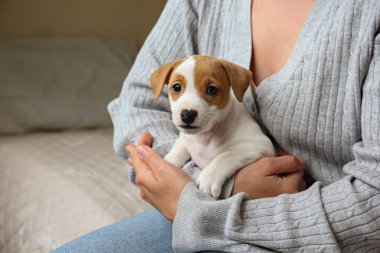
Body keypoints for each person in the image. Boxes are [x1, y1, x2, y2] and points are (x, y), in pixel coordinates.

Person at [53, 0, 380, 252]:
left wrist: (199, 209)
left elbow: (373, 203)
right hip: (195, 207)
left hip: (326, 232)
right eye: (177, 90)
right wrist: (212, 187)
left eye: (211, 90)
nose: (187, 106)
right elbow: (136, 103)